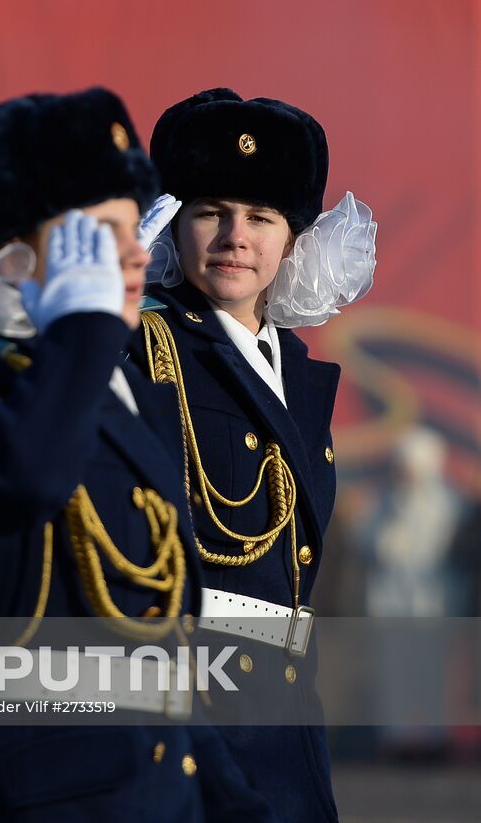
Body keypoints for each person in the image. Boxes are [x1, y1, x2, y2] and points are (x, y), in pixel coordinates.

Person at [0, 89, 275, 822]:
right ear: (10, 250)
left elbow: (163, 633)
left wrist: (228, 797)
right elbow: (26, 476)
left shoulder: (117, 388)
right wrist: (81, 332)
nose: (131, 256)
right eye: (96, 235)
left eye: (132, 230)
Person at [134, 87, 377, 821]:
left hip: (285, 714)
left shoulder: (299, 372)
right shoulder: (142, 351)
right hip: (189, 720)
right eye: (210, 212)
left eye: (262, 217)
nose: (235, 236)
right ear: (173, 227)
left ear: (295, 238)